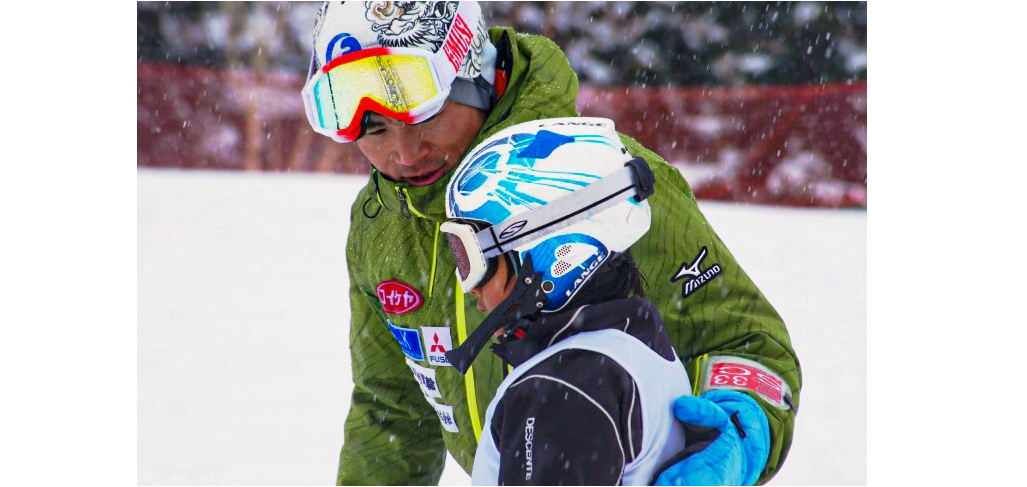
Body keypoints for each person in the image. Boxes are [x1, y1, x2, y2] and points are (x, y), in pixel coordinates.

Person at [302, 2, 800, 485]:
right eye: (378, 131)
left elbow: (746, 343)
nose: (404, 153)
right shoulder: (383, 227)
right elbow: (392, 409)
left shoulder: (598, 187)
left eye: (425, 117)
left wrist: (738, 431)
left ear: (475, 79)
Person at [438, 117, 695, 485]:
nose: (469, 288)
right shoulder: (634, 340)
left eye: (472, 261)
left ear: (550, 256)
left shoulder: (559, 391)